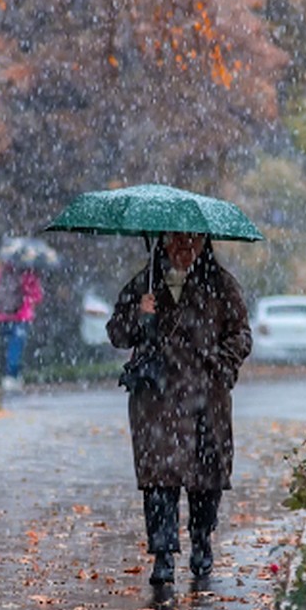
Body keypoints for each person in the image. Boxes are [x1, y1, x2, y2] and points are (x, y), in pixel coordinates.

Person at [106, 232, 252, 587]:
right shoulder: (145, 282)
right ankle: (162, 554)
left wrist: (220, 367)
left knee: (207, 475)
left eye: (193, 240)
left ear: (205, 243)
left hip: (206, 396)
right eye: (176, 239)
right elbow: (117, 334)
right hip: (157, 398)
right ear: (163, 241)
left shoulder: (221, 284)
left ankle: (202, 540)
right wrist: (140, 315)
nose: (185, 247)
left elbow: (241, 336)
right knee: (159, 478)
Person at [0, 258, 44, 392]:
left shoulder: (1, 274)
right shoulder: (27, 276)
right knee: (16, 348)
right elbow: (37, 297)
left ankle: (10, 375)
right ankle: (11, 377)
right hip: (20, 318)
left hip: (2, 317)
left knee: (7, 347)